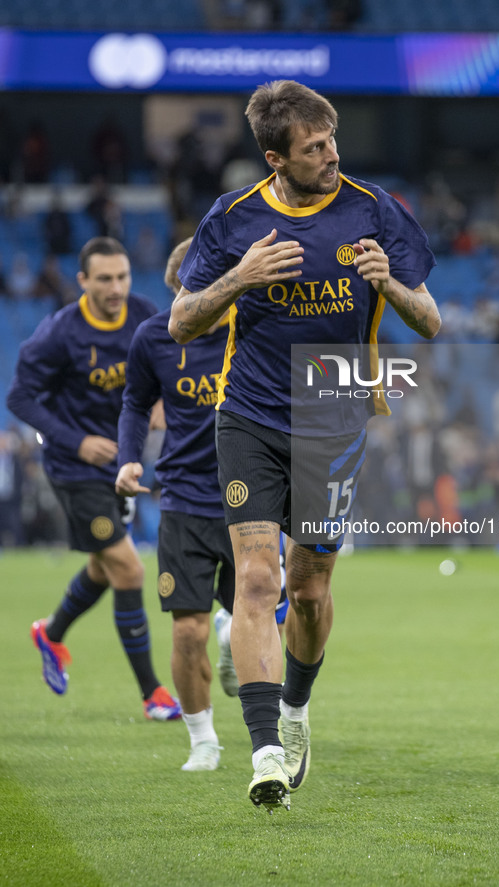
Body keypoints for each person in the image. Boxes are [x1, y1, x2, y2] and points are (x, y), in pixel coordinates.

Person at [168, 80, 439, 811]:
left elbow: (430, 322)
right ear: (274, 157)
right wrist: (239, 275)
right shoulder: (232, 219)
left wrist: (393, 284)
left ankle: (294, 708)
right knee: (256, 581)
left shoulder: (374, 210)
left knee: (310, 589)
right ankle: (262, 751)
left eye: (331, 140)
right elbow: (181, 322)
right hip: (249, 416)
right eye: (313, 147)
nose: (330, 154)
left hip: (334, 422)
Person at [6, 236, 181, 721]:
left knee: (106, 567)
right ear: (82, 281)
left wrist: (165, 398)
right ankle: (153, 695)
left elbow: (166, 361)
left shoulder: (145, 313)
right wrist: (76, 440)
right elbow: (20, 399)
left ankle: (51, 633)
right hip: (74, 469)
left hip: (119, 466)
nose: (116, 287)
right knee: (128, 568)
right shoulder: (60, 334)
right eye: (104, 278)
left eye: (122, 276)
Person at [115, 238, 238, 771]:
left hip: (250, 498)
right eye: (194, 289)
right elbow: (136, 402)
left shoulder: (251, 327)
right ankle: (203, 740)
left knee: (265, 620)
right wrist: (127, 458)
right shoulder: (153, 337)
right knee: (187, 629)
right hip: (184, 499)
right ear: (176, 293)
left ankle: (234, 633)